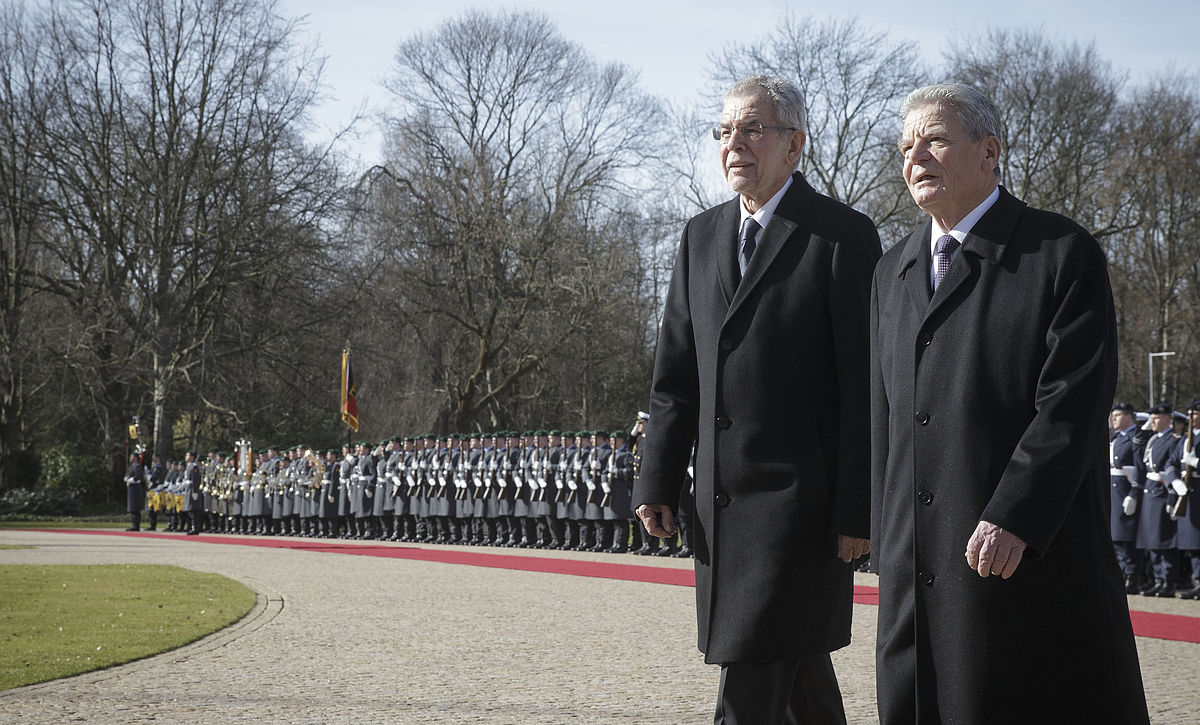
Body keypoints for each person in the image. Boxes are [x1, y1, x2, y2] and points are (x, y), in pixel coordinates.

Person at [869, 82, 1149, 723]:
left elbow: (1073, 404)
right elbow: (884, 415)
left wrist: (1015, 515)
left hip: (1023, 562)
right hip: (917, 573)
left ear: (990, 150)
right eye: (907, 146)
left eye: (936, 140)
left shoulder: (1058, 253)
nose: (917, 158)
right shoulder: (892, 272)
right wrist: (886, 540)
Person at [634, 74, 879, 724]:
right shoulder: (700, 236)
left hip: (801, 513)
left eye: (753, 128)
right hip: (719, 511)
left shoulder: (841, 236)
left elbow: (864, 388)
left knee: (749, 680)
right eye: (724, 130)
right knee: (799, 681)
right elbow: (675, 375)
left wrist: (859, 507)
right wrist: (655, 478)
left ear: (795, 144)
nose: (734, 142)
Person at [1109, 402, 1148, 592]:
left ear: (1128, 416)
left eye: (1117, 415)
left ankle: (1132, 575)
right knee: (1116, 536)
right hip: (1114, 491)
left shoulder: (1136, 436)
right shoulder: (1117, 438)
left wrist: (1134, 492)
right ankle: (1123, 572)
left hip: (1126, 491)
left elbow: (1140, 468)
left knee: (1127, 536)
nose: (1113, 419)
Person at [123, 452, 146, 531]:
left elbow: (138, 476)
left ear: (135, 458)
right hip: (131, 489)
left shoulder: (137, 466)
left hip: (135, 488)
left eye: (131, 456)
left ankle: (136, 526)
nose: (130, 458)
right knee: (132, 508)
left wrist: (131, 480)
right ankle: (134, 524)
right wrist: (127, 478)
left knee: (135, 508)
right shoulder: (131, 466)